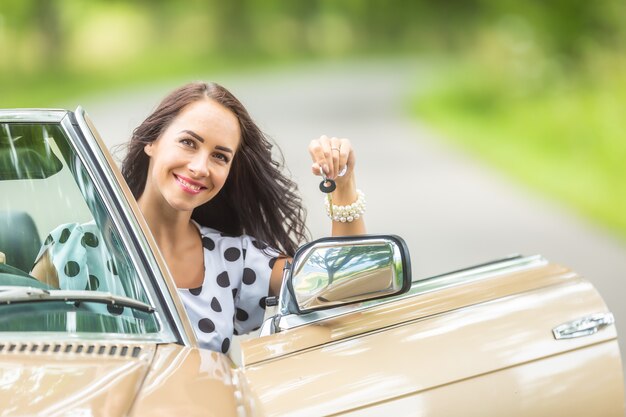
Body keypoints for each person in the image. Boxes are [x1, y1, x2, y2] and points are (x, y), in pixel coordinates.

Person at [33, 81, 366, 353]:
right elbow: (21, 347)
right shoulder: (72, 249)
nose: (200, 167)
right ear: (152, 141)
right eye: (188, 143)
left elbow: (343, 286)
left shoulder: (234, 259)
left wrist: (343, 185)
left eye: (219, 156)